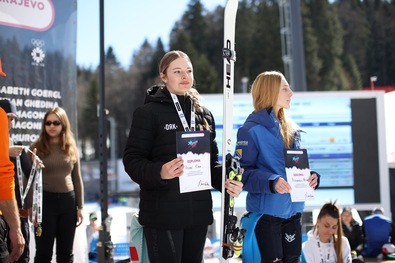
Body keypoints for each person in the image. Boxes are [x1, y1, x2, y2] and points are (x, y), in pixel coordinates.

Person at [122, 50, 243, 263]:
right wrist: (161, 171)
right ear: (164, 76)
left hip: (197, 214)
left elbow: (211, 164)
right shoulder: (148, 113)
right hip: (163, 215)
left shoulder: (203, 114)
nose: (185, 76)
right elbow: (132, 160)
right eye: (177, 71)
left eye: (188, 71)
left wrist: (227, 181)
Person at [235, 71, 320, 263]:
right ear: (270, 91)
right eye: (285, 88)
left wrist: (311, 176)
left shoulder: (292, 129)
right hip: (266, 215)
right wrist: (271, 182)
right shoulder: (250, 130)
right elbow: (242, 173)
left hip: (293, 212)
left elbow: (295, 167)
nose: (291, 93)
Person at [29, 106, 84, 262]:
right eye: (48, 123)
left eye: (56, 122)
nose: (52, 126)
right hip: (45, 203)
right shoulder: (36, 147)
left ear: (63, 124)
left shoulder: (71, 147)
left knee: (66, 253)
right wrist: (31, 207)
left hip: (68, 202)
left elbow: (77, 178)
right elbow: (29, 179)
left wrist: (80, 206)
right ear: (44, 125)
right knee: (43, 253)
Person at [0, 99, 32, 263]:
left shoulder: (18, 146)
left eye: (13, 118)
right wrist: (6, 152)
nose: (11, 121)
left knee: (22, 257)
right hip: (3, 213)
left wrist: (37, 166)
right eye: (8, 117)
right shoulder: (9, 147)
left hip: (17, 211)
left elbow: (29, 173)